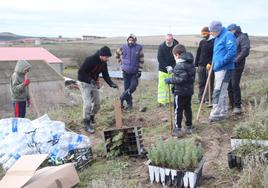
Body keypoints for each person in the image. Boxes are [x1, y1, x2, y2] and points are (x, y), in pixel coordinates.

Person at [78, 46, 118, 133]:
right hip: (84, 83)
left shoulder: (104, 63)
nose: (107, 59)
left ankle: (91, 116)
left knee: (97, 104)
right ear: (101, 55)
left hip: (94, 83)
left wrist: (111, 83)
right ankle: (86, 123)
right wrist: (89, 80)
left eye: (108, 57)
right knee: (88, 104)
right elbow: (80, 73)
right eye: (106, 57)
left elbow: (105, 75)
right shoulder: (90, 60)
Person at [208, 21, 237, 122]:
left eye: (212, 31)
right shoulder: (217, 37)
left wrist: (220, 62)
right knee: (222, 91)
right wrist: (214, 63)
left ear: (217, 30)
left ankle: (215, 114)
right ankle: (222, 113)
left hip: (224, 68)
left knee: (218, 91)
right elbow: (218, 52)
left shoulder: (228, 35)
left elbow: (232, 51)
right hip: (218, 68)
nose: (210, 33)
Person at [164, 44, 196, 136]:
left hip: (180, 91)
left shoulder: (180, 65)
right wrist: (173, 71)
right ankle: (189, 126)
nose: (174, 57)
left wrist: (171, 80)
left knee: (178, 109)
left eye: (174, 55)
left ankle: (177, 128)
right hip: (188, 91)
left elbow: (181, 79)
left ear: (177, 54)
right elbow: (184, 74)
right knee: (187, 108)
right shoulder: (190, 63)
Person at [115, 34, 144, 109]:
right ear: (127, 40)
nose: (130, 41)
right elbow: (116, 54)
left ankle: (121, 98)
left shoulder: (139, 48)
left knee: (133, 86)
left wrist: (140, 70)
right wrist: (121, 64)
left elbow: (141, 60)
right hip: (125, 71)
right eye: (129, 40)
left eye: (132, 40)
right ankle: (129, 105)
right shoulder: (123, 47)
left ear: (135, 40)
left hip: (134, 72)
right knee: (126, 88)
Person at [227, 24, 250, 114]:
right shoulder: (232, 38)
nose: (229, 33)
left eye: (230, 31)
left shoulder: (242, 37)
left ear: (234, 30)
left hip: (237, 65)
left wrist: (235, 60)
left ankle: (237, 106)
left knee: (234, 84)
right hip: (229, 65)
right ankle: (231, 103)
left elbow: (245, 50)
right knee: (229, 85)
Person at [157, 34, 179, 106]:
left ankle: (171, 101)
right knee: (162, 86)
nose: (168, 41)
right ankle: (162, 101)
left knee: (172, 86)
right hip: (163, 69)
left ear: (172, 39)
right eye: (167, 40)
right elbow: (160, 58)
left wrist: (172, 67)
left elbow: (178, 58)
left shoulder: (176, 46)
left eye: (169, 40)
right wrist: (167, 67)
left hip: (173, 69)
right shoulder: (161, 47)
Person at [195, 26, 214, 104]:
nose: (203, 35)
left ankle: (208, 98)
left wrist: (210, 63)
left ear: (209, 33)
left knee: (209, 82)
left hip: (209, 66)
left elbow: (214, 55)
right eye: (202, 34)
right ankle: (201, 98)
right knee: (201, 82)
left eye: (205, 34)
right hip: (201, 66)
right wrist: (196, 64)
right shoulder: (202, 42)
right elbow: (198, 53)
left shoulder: (213, 41)